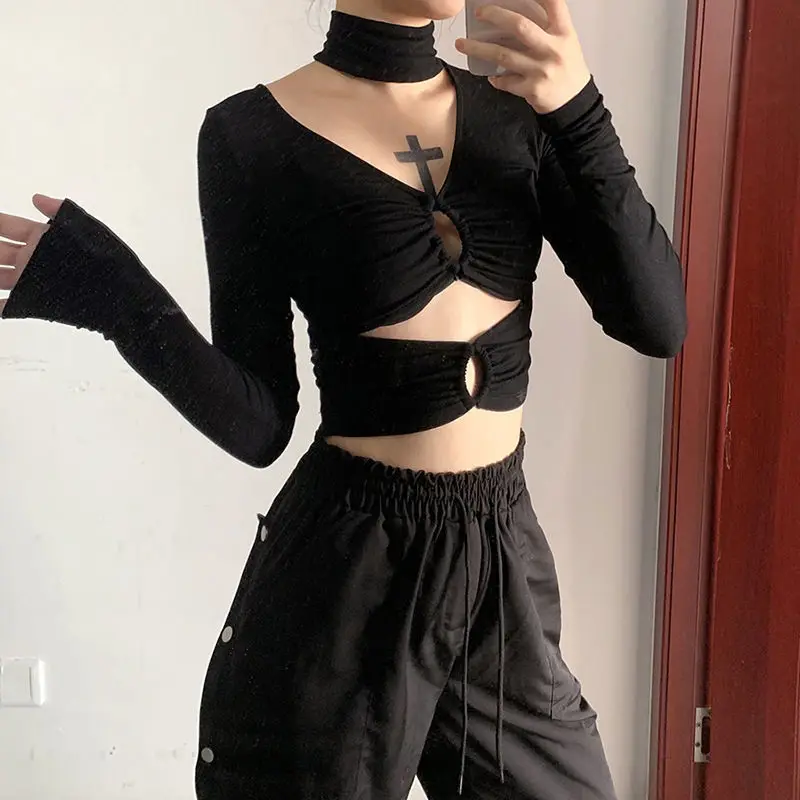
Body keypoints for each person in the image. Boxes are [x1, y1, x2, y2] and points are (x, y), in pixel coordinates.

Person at [0, 0, 687, 797]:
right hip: (351, 564)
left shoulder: (516, 114)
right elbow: (260, 424)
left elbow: (657, 323)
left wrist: (579, 112)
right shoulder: (248, 136)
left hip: (499, 547)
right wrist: (116, 296)